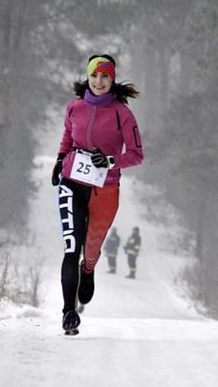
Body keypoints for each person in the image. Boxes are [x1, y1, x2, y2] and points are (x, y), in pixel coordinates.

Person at [51, 54, 143, 334]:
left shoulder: (122, 113)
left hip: (106, 188)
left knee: (89, 250)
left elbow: (137, 155)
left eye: (104, 76)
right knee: (71, 247)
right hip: (72, 182)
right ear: (87, 77)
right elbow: (68, 136)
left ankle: (88, 269)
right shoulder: (74, 107)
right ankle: (68, 313)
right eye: (94, 75)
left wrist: (111, 161)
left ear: (112, 78)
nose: (99, 81)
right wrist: (59, 160)